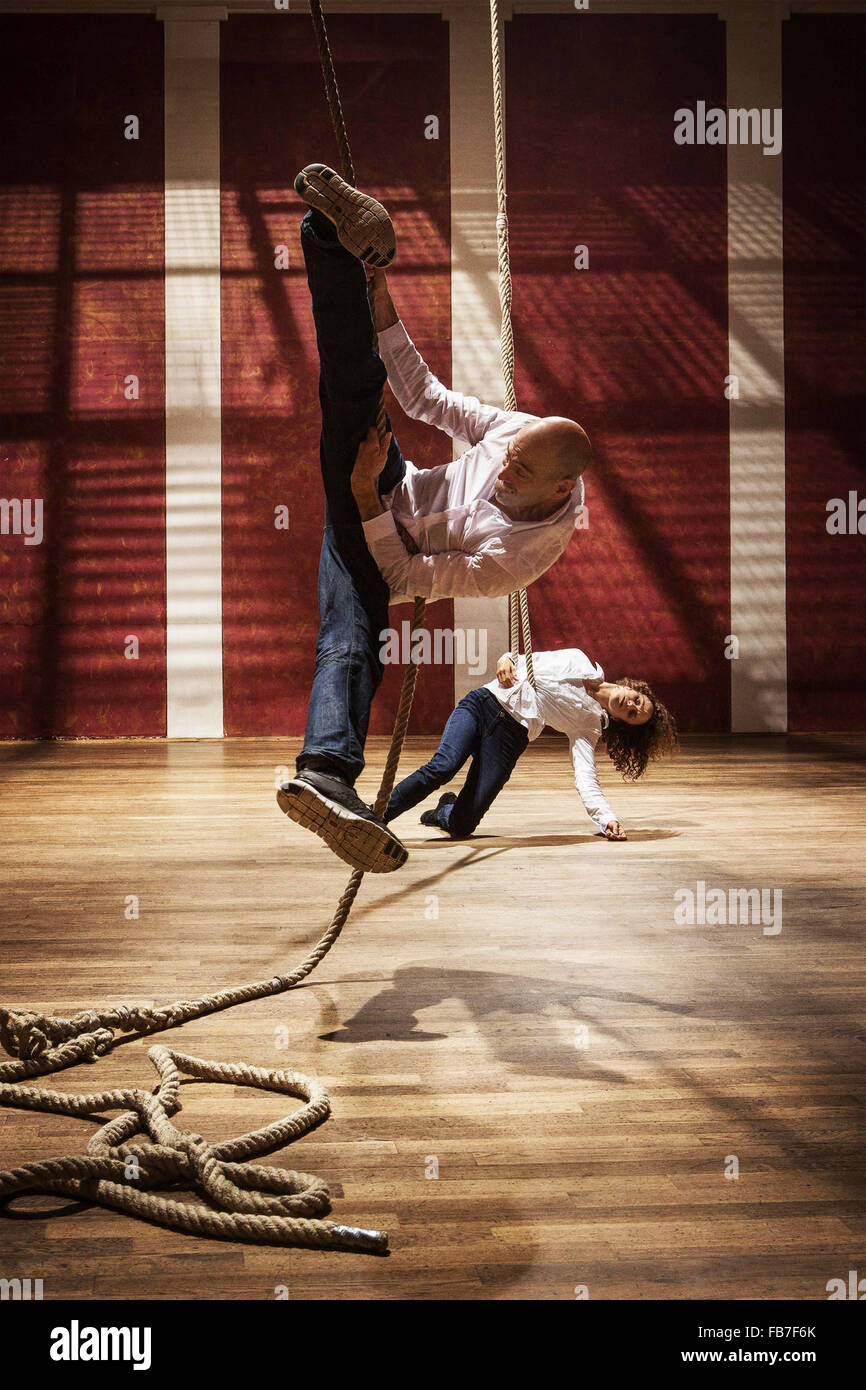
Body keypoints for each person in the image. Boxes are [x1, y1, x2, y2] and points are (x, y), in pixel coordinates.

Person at [277, 164, 593, 874]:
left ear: (558, 491)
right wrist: (381, 295)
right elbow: (427, 399)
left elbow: (402, 573)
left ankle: (326, 776)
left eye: (518, 471)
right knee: (357, 390)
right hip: (393, 485)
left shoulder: (524, 554)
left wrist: (361, 496)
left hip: (376, 537)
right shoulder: (523, 434)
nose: (503, 461)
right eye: (509, 452)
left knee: (352, 638)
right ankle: (334, 237)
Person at [383, 648, 677, 841]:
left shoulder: (588, 726)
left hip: (510, 739)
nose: (631, 705)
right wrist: (505, 658)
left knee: (462, 827)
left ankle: (445, 810)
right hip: (483, 704)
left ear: (620, 721)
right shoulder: (578, 659)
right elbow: (525, 661)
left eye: (631, 714)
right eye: (637, 701)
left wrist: (606, 819)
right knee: (443, 766)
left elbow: (586, 778)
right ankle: (375, 816)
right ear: (633, 688)